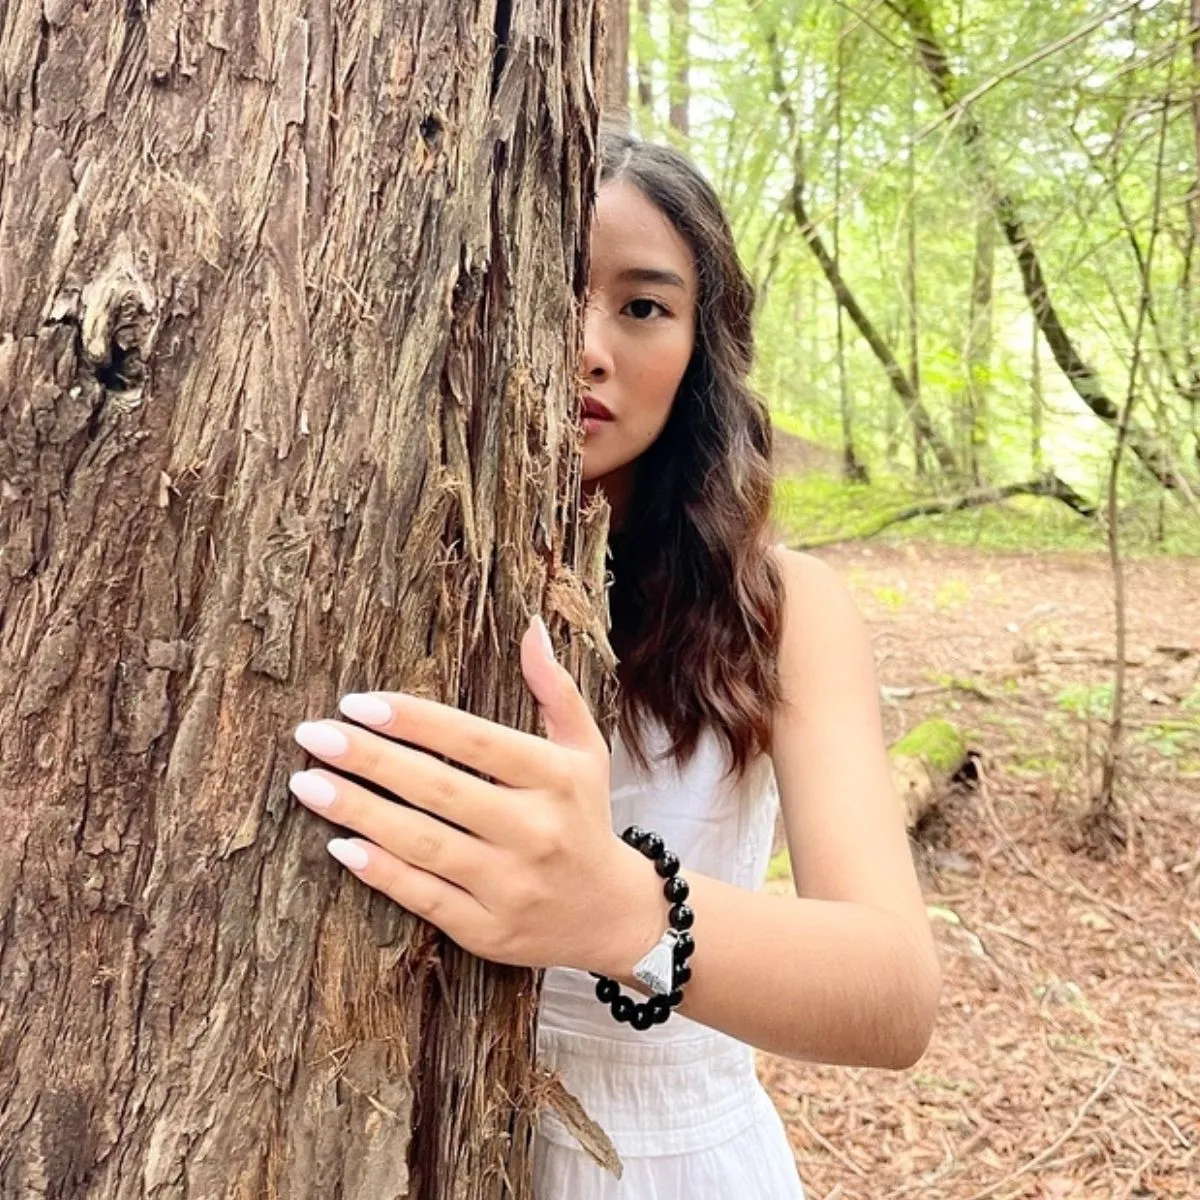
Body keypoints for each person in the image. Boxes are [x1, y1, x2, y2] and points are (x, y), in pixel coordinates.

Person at [287, 128, 941, 1197]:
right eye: (547, 284)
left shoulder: (782, 610)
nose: (586, 345)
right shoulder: (370, 575)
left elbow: (895, 992)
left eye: (642, 306)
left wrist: (620, 908)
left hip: (670, 1166)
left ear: (701, 344)